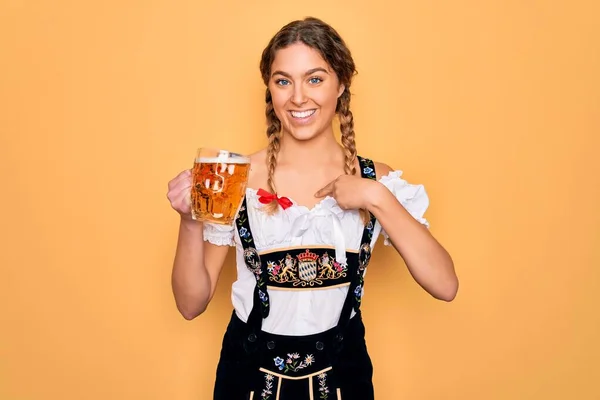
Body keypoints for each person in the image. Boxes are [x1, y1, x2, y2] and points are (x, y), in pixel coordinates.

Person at [166, 16, 458, 400]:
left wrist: (376, 197)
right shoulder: (237, 177)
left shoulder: (376, 181)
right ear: (270, 90)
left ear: (342, 85)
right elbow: (190, 304)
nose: (298, 97)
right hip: (247, 384)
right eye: (283, 80)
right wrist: (190, 221)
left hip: (343, 384)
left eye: (315, 79)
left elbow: (445, 284)